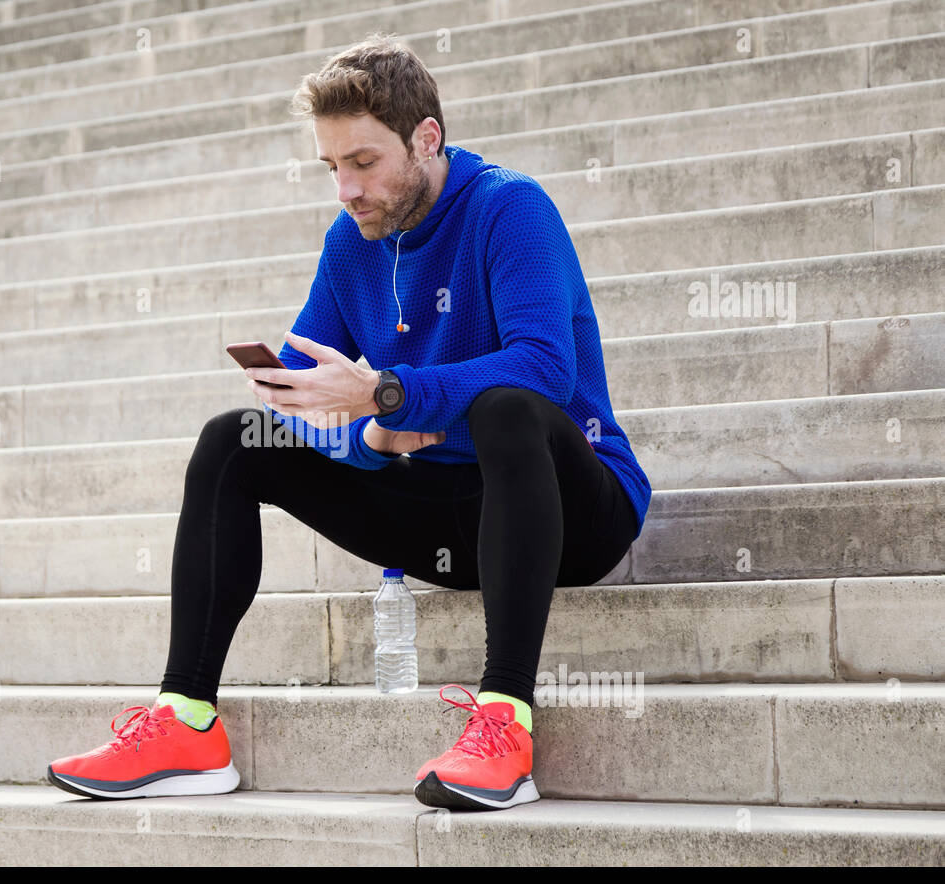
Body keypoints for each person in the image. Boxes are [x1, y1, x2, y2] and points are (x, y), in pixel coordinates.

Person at [48, 33, 651, 811]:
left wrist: (393, 394)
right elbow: (301, 394)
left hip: (576, 515)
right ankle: (187, 720)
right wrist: (368, 436)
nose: (346, 189)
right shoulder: (350, 243)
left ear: (426, 138)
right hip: (453, 523)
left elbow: (544, 368)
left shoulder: (511, 208)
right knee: (234, 440)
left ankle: (505, 723)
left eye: (363, 163)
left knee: (507, 409)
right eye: (332, 167)